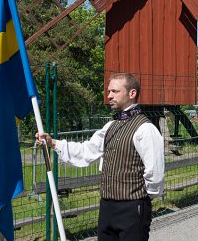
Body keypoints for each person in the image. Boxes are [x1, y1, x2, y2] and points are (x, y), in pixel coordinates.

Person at [36, 73, 165, 240]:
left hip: (133, 208)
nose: (109, 96)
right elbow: (86, 151)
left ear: (132, 93)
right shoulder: (110, 126)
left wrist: (142, 201)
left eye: (114, 91)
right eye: (108, 91)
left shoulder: (146, 129)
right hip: (107, 206)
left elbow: (154, 172)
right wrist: (53, 143)